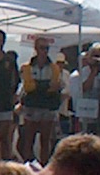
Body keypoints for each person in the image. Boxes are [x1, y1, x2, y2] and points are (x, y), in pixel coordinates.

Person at [16, 34, 64, 163]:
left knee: (45, 139)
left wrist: (38, 86)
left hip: (47, 106)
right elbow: (28, 87)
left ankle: (44, 165)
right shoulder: (27, 66)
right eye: (42, 48)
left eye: (47, 48)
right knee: (29, 139)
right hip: (32, 106)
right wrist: (46, 86)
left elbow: (55, 85)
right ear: (36, 49)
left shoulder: (54, 67)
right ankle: (28, 165)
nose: (45, 51)